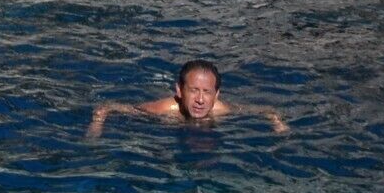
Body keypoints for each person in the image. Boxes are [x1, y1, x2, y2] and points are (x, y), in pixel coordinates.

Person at [87, 61, 288, 138]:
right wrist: (96, 127)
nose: (200, 100)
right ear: (180, 91)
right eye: (193, 91)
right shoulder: (164, 109)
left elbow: (268, 110)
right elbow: (107, 107)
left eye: (207, 92)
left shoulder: (222, 110)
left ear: (216, 95)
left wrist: (278, 125)